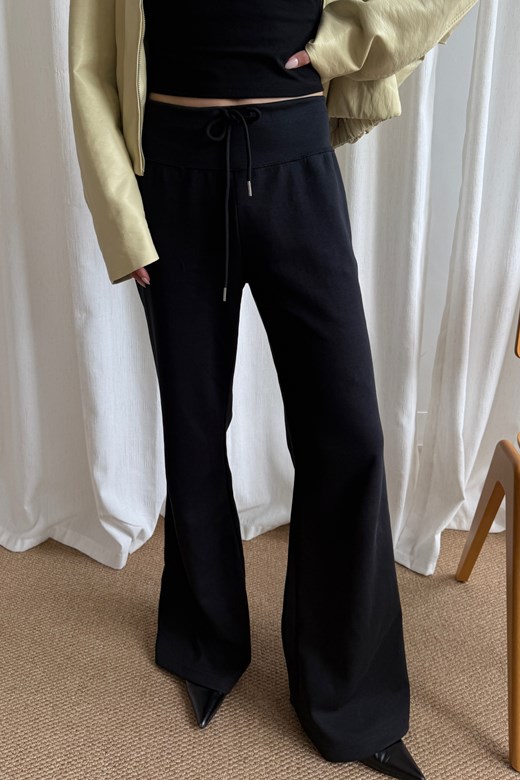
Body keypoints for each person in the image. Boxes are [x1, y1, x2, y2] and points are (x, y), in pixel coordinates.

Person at [67, 2, 477, 778]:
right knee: (194, 422)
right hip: (171, 173)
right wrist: (120, 211)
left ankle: (350, 696)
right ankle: (204, 640)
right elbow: (90, 63)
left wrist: (345, 43)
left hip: (294, 156)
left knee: (348, 432)